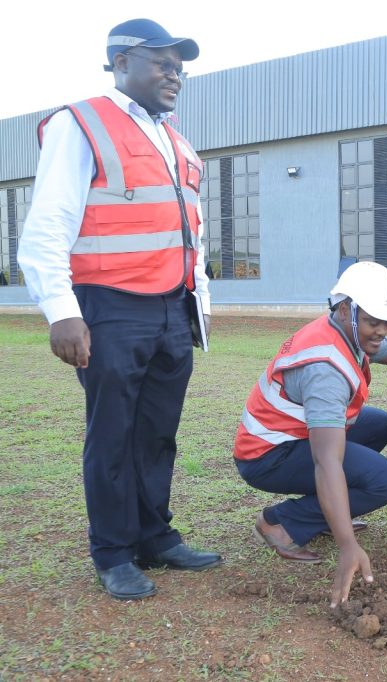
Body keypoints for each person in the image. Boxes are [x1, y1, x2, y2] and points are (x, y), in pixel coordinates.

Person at [17, 19, 219, 600]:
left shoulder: (175, 139)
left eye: (179, 65)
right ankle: (112, 550)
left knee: (157, 433)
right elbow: (48, 224)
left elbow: (190, 234)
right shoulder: (80, 124)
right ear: (121, 61)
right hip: (109, 308)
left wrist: (199, 301)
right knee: (111, 434)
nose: (174, 73)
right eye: (161, 61)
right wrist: (61, 310)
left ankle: (155, 535)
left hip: (171, 309)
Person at [234, 262, 387, 607]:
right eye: (375, 321)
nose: (382, 330)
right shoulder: (325, 370)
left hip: (287, 437)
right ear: (347, 310)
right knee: (383, 480)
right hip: (267, 456)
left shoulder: (347, 331)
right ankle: (279, 524)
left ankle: (327, 515)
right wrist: (348, 545)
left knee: (376, 424)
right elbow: (326, 461)